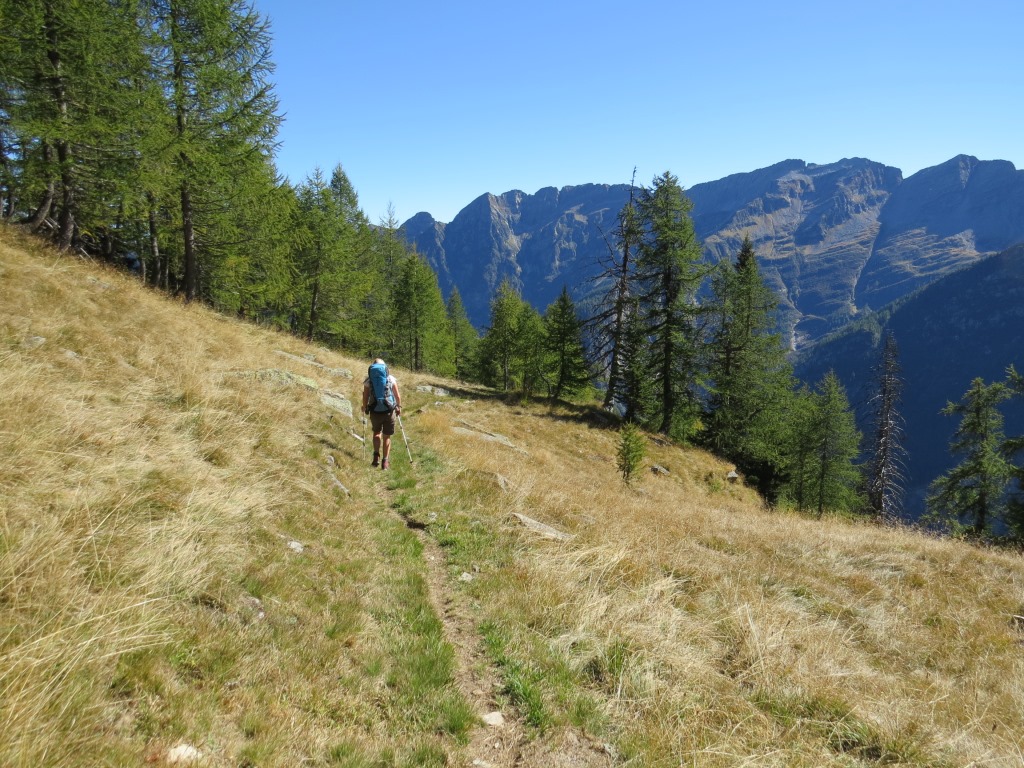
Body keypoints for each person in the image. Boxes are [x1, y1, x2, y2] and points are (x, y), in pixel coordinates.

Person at [362, 358, 402, 470]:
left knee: (376, 432)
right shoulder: (391, 378)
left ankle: (376, 456)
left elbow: (365, 396)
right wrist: (398, 407)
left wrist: (365, 407)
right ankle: (385, 462)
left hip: (375, 410)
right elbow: (397, 396)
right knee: (387, 436)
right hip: (389, 410)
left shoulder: (369, 380)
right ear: (385, 368)